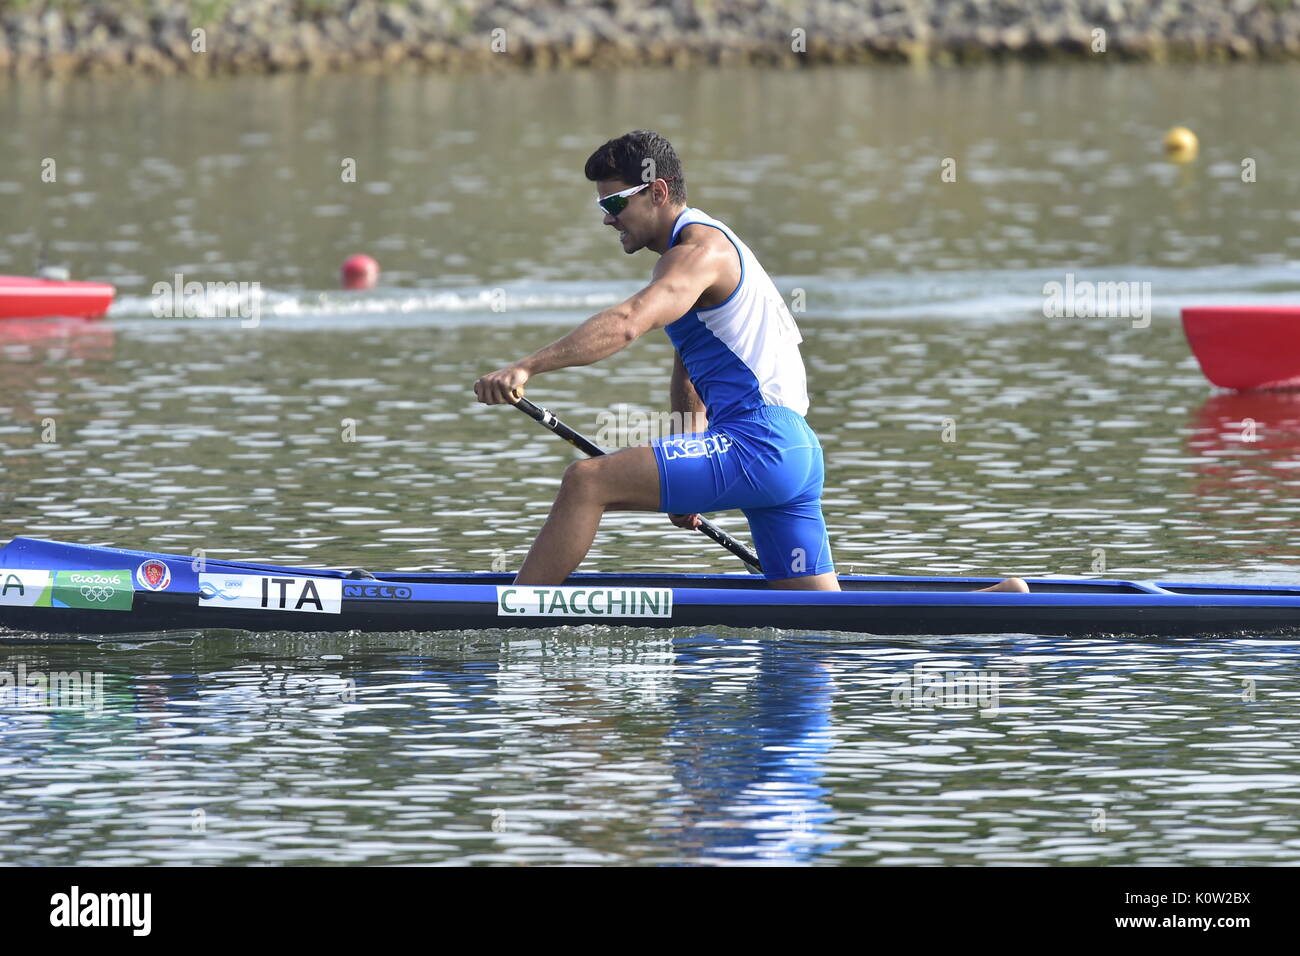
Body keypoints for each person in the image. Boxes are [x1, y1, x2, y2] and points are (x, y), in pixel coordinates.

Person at [475, 130, 1028, 595]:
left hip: (758, 444)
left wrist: (527, 367)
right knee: (824, 628)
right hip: (794, 456)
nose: (607, 220)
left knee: (586, 483)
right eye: (602, 207)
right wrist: (687, 448)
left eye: (615, 204)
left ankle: (516, 610)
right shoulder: (699, 257)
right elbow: (689, 366)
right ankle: (991, 607)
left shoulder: (698, 252)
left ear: (658, 191)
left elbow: (626, 323)